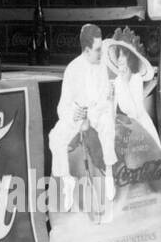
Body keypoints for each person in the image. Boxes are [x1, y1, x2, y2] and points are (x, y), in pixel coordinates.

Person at [48, 24, 118, 209]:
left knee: (107, 123)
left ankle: (109, 173)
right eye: (97, 50)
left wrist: (98, 108)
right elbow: (62, 106)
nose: (100, 54)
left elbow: (106, 100)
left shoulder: (102, 67)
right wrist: (73, 112)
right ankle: (67, 180)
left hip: (97, 114)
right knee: (55, 136)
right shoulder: (72, 69)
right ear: (86, 50)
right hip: (77, 118)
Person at [104, 31, 161, 164]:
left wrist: (125, 83)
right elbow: (112, 109)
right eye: (118, 55)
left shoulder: (135, 78)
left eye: (123, 56)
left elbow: (135, 111)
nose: (119, 59)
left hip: (139, 125)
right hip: (124, 124)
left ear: (130, 59)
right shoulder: (118, 79)